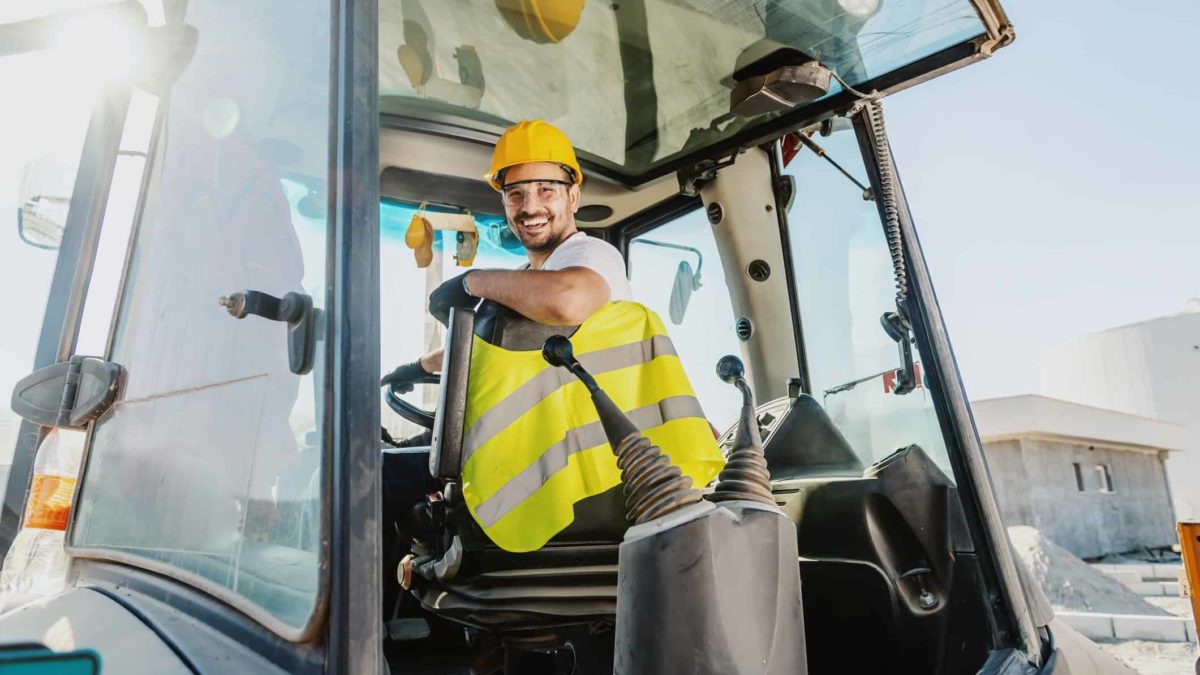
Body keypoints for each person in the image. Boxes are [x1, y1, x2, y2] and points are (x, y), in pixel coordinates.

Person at [388, 119, 632, 381]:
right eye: (515, 194)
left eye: (546, 190)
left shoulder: (593, 255)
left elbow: (568, 299)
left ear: (572, 198)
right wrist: (421, 366)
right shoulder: (527, 281)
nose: (529, 207)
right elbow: (483, 348)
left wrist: (471, 281)